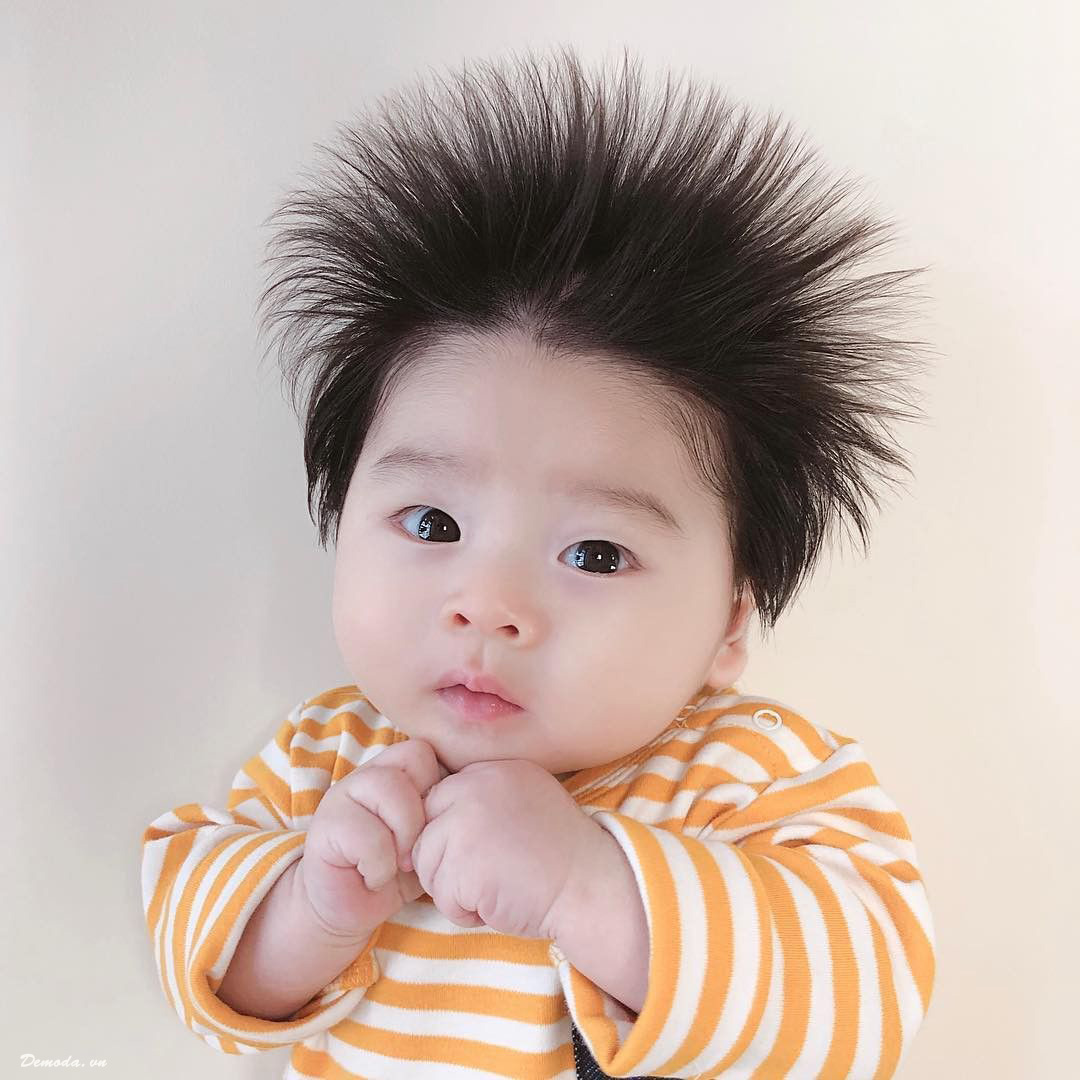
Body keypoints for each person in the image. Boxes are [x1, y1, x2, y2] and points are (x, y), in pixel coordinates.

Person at [140, 44, 936, 1079]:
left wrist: (587, 883)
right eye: (431, 525)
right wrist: (311, 907)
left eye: (596, 552)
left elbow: (861, 1005)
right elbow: (203, 965)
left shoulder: (751, 780)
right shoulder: (325, 762)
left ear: (732, 621)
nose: (489, 604)